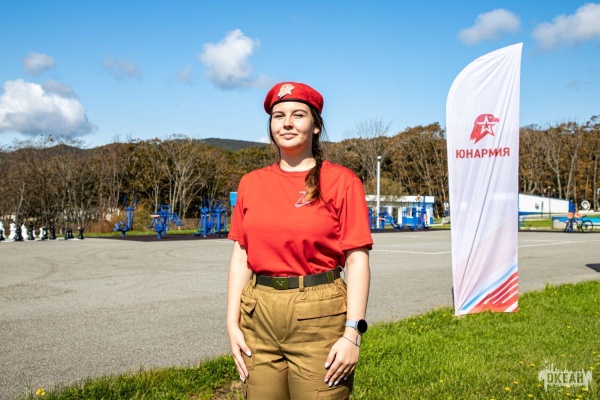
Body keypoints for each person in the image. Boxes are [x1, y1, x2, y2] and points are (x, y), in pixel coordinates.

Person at [226, 81, 373, 399]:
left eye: (298, 115)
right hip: (258, 314)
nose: (287, 123)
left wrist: (353, 333)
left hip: (320, 314)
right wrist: (232, 323)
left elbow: (357, 260)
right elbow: (241, 256)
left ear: (316, 126)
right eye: (279, 116)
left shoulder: (342, 181)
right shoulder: (251, 183)